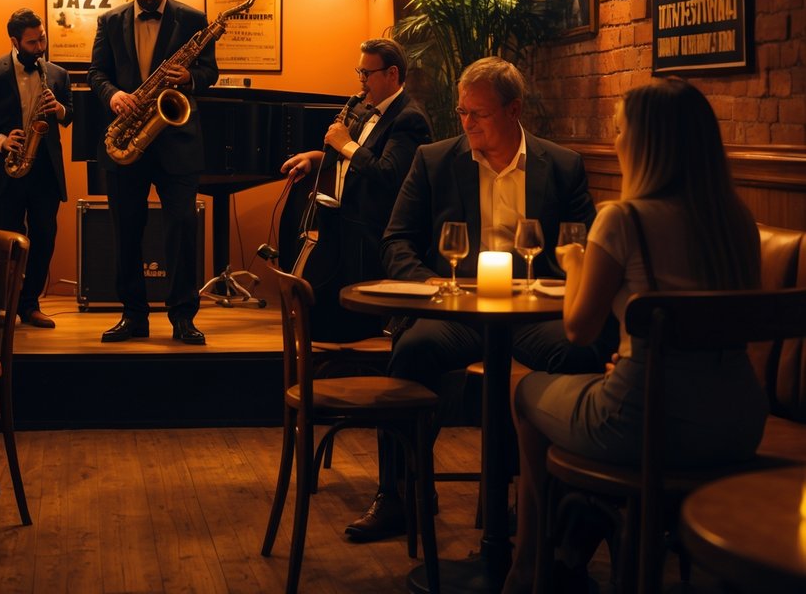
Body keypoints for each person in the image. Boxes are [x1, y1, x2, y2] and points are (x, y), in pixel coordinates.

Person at [503, 79, 766, 593]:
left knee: (526, 394)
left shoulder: (622, 220)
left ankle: (529, 563)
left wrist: (575, 261)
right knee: (595, 392)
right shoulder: (737, 221)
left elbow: (578, 330)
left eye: (620, 131)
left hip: (646, 421)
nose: (616, 141)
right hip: (738, 421)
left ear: (645, 144)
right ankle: (572, 547)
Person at [345, 56, 613, 542]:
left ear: (514, 111)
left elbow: (585, 244)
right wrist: (431, 286)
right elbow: (396, 241)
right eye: (462, 112)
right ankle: (401, 494)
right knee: (413, 351)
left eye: (478, 114)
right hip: (456, 309)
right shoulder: (435, 160)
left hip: (533, 311)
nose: (466, 123)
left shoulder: (562, 166)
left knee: (580, 353)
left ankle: (553, 498)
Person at [88, 0, 216, 345]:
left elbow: (210, 70)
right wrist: (112, 96)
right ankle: (133, 316)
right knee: (126, 230)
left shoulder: (194, 19)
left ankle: (182, 317)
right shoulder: (109, 21)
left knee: (181, 228)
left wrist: (189, 78)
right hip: (129, 133)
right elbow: (96, 72)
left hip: (176, 140)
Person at [279, 37, 432, 342]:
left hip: (371, 233)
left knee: (348, 322)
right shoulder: (365, 110)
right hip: (346, 225)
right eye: (358, 73)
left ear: (391, 74)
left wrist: (345, 143)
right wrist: (315, 158)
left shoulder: (408, 119)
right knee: (320, 315)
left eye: (367, 74)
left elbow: (388, 173)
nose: (361, 82)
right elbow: (353, 160)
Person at [0, 7, 73, 328]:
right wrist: (1, 140)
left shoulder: (57, 74)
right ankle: (3, 305)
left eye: (42, 39)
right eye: (32, 43)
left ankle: (30, 304)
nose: (40, 47)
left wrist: (60, 110)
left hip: (44, 172)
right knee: (5, 242)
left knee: (44, 238)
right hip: (5, 170)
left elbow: (71, 115)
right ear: (14, 41)